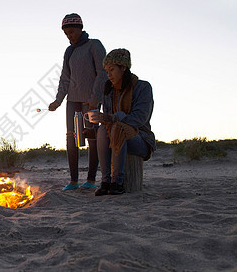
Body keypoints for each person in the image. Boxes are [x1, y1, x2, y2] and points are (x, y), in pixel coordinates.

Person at [48, 13, 108, 191]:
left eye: (72, 32)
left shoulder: (94, 45)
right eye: (66, 33)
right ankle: (73, 181)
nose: (69, 36)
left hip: (90, 101)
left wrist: (95, 100)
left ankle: (90, 179)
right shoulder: (69, 51)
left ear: (80, 29)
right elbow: (65, 78)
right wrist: (58, 100)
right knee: (71, 138)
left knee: (92, 138)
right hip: (72, 101)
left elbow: (102, 74)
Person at [91, 48, 156, 195]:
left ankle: (117, 182)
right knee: (102, 129)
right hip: (114, 137)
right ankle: (106, 181)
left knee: (117, 128)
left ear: (124, 67)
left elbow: (140, 118)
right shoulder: (108, 91)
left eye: (112, 70)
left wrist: (115, 118)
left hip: (140, 139)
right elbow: (107, 121)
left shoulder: (143, 87)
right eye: (106, 71)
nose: (109, 75)